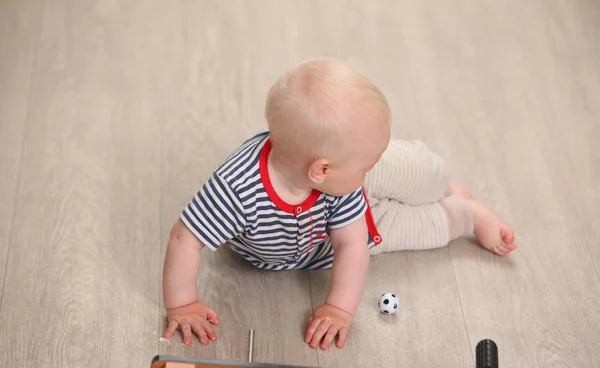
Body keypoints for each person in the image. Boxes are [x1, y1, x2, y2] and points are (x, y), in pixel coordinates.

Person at [161, 57, 517, 351]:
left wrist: (340, 306)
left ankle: (443, 186)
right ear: (321, 170)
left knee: (416, 170)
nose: (371, 164)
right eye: (367, 163)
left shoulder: (340, 167)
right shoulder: (236, 189)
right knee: (422, 228)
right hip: (333, 228)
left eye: (370, 159)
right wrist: (182, 302)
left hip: (346, 182)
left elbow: (352, 232)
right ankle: (468, 216)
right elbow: (185, 238)